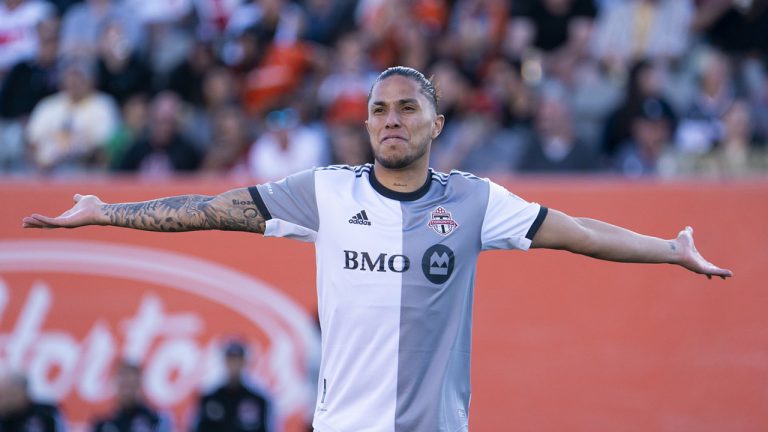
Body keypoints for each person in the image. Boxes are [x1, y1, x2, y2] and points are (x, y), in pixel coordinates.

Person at [23, 66, 732, 432]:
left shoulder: (476, 199)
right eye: (378, 110)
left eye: (407, 109)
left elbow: (578, 233)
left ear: (437, 122)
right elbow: (208, 211)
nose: (391, 120)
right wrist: (105, 211)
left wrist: (668, 248)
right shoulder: (326, 193)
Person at [191, 339, 275, 432]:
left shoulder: (258, 401)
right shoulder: (209, 398)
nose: (234, 364)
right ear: (224, 361)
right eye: (231, 360)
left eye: (238, 360)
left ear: (244, 362)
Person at [90, 361, 172, 432]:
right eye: (124, 383)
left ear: (139, 384)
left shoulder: (155, 421)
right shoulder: (103, 424)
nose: (127, 387)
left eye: (131, 383)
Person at [0, 371, 66, 432]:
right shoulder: (4, 418)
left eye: (6, 395)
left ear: (20, 393)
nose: (3, 401)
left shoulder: (47, 412)